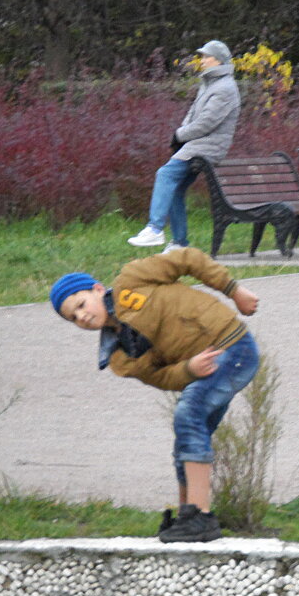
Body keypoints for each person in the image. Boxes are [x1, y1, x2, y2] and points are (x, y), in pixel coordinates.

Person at [50, 247, 260, 543]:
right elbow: (161, 377)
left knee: (189, 414)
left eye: (82, 304)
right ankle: (187, 517)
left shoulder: (132, 281)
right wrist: (188, 370)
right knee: (185, 436)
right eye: (73, 317)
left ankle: (202, 517)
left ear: (98, 289)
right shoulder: (120, 357)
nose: (82, 316)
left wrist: (233, 289)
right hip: (206, 367)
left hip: (233, 346)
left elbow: (188, 259)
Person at [128, 40, 241, 251]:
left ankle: (155, 229)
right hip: (197, 143)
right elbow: (192, 116)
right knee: (175, 188)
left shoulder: (225, 88)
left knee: (165, 175)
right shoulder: (210, 84)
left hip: (209, 146)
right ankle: (179, 243)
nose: (203, 60)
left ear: (218, 60)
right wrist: (182, 134)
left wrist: (179, 135)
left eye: (207, 56)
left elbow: (207, 123)